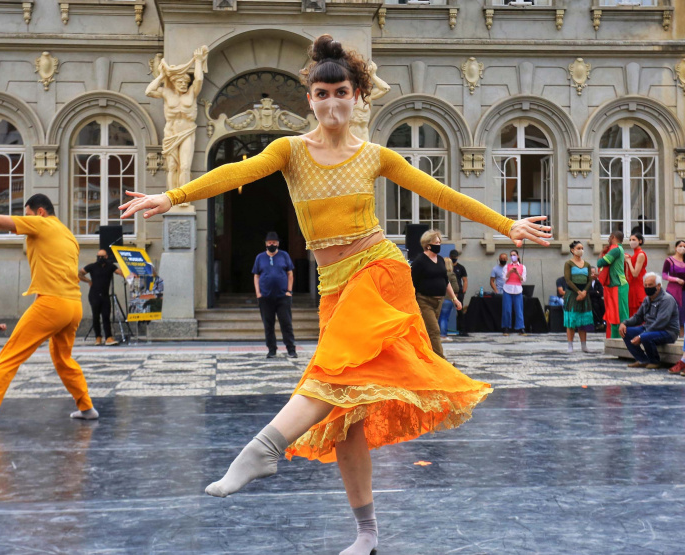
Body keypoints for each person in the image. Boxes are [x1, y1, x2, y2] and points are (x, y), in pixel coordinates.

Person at [119, 34, 551, 555]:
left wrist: (506, 222)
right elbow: (235, 171)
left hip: (377, 272)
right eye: (321, 94)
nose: (331, 103)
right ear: (310, 99)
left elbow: (439, 192)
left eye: (340, 92)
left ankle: (262, 447)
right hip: (333, 287)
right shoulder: (289, 151)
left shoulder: (374, 157)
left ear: (357, 96)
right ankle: (367, 533)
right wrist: (173, 195)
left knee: (329, 379)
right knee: (346, 418)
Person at [0, 194, 98, 431]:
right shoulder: (68, 234)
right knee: (63, 359)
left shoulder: (41, 223)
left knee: (9, 355)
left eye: (27, 214)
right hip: (74, 307)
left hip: (51, 303)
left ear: (40, 212)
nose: (24, 221)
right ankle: (87, 408)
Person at [411, 229, 461, 358]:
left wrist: (454, 299)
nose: (439, 245)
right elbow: (412, 283)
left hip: (439, 301)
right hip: (424, 300)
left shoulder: (440, 259)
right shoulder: (420, 261)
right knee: (435, 330)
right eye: (436, 242)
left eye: (439, 242)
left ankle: (427, 358)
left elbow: (446, 281)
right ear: (428, 244)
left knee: (428, 332)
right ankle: (441, 360)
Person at [620, 272, 680, 369]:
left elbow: (661, 322)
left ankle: (654, 361)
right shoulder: (647, 299)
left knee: (646, 336)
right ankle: (642, 359)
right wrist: (624, 323)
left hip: (667, 331)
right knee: (626, 332)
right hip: (649, 328)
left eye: (650, 285)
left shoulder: (667, 299)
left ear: (658, 286)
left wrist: (641, 335)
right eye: (646, 285)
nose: (647, 287)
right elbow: (638, 317)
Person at [252, 232, 297, 359]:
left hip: (283, 296)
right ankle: (271, 349)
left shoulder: (284, 256)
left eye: (274, 242)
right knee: (268, 324)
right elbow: (256, 275)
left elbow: (290, 273)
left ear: (278, 243)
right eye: (269, 242)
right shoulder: (260, 257)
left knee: (286, 323)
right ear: (266, 244)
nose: (272, 244)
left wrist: (289, 291)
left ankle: (291, 349)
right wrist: (258, 293)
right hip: (265, 297)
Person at [79, 249, 122, 346]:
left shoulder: (110, 266)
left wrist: (130, 275)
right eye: (98, 256)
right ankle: (98, 337)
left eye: (102, 256)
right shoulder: (92, 266)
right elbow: (80, 273)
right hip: (94, 295)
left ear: (106, 257)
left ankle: (108, 337)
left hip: (105, 295)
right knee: (96, 316)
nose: (100, 258)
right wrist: (88, 281)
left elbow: (120, 272)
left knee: (106, 316)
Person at [562, 241, 594, 353]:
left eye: (582, 248)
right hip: (572, 294)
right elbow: (568, 279)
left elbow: (590, 280)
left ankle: (584, 345)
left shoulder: (587, 264)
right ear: (572, 250)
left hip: (584, 294)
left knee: (583, 321)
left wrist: (584, 291)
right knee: (572, 320)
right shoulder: (568, 263)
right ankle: (570, 345)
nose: (581, 250)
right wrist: (578, 292)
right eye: (578, 248)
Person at [597, 230, 629, 338]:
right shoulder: (617, 249)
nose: (608, 239)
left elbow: (600, 262)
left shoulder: (615, 249)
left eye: (609, 237)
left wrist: (601, 252)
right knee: (614, 315)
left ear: (613, 237)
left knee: (619, 315)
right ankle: (615, 339)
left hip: (618, 285)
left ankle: (622, 340)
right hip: (615, 285)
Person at [662, 239, 685, 334]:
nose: (682, 248)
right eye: (680, 246)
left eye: (684, 246)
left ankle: (684, 336)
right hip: (673, 291)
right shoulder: (669, 260)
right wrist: (676, 279)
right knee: (675, 313)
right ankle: (674, 335)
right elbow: (664, 275)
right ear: (676, 248)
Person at [501, 249, 526, 336]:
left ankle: (520, 327)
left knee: (519, 310)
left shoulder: (523, 267)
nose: (513, 256)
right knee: (507, 309)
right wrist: (510, 272)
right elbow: (504, 278)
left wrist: (518, 273)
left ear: (518, 256)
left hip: (518, 289)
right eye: (511, 255)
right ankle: (506, 327)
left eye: (514, 254)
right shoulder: (506, 267)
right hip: (508, 289)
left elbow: (523, 280)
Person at [625, 232, 647, 316]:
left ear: (640, 241)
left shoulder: (640, 254)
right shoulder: (635, 254)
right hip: (632, 285)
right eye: (630, 240)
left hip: (638, 286)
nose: (631, 242)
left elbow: (635, 273)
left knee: (638, 311)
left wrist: (629, 261)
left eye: (634, 240)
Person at [438, 256, 459, 342]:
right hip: (448, 298)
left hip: (438, 298)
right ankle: (443, 335)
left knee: (439, 317)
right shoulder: (451, 274)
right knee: (444, 317)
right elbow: (456, 288)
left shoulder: (438, 274)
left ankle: (438, 335)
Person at [449, 249, 469, 337]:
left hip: (459, 292)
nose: (454, 258)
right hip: (449, 292)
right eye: (452, 257)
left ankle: (462, 329)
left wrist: (463, 290)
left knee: (460, 311)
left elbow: (465, 280)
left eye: (455, 257)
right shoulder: (447, 267)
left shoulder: (461, 268)